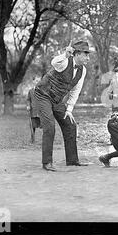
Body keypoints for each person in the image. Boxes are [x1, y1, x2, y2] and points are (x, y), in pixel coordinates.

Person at [34, 41, 93, 171]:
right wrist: (65, 55)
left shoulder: (82, 71)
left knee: (70, 125)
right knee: (49, 126)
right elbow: (54, 62)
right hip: (43, 95)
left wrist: (69, 110)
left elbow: (75, 91)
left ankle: (72, 160)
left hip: (57, 100)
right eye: (85, 54)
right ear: (76, 54)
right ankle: (47, 163)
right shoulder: (65, 62)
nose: (88, 58)